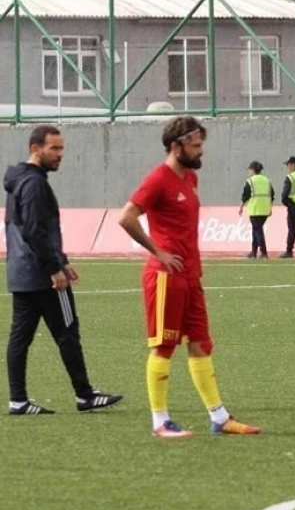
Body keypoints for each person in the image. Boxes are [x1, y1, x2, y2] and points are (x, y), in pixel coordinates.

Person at [118, 116, 261, 438]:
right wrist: (159, 252)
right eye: (196, 146)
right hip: (166, 276)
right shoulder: (158, 179)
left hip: (191, 276)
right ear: (176, 146)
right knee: (164, 346)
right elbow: (126, 217)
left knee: (201, 344)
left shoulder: (190, 178)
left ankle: (219, 417)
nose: (201, 152)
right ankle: (160, 422)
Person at [5, 125, 123, 415]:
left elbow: (34, 229)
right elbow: (35, 231)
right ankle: (84, 395)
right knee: (68, 331)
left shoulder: (19, 180)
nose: (60, 154)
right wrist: (54, 268)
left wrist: (64, 259)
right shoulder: (34, 184)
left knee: (20, 338)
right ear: (36, 149)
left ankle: (18, 400)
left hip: (20, 273)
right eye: (54, 149)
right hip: (41, 275)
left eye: (62, 148)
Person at [239, 161, 273, 259]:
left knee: (258, 230)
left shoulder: (250, 181)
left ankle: (264, 252)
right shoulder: (267, 180)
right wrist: (270, 208)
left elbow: (245, 196)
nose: (249, 171)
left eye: (249, 169)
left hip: (255, 209)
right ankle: (253, 252)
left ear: (253, 170)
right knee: (256, 229)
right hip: (265, 209)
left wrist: (241, 207)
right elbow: (272, 195)